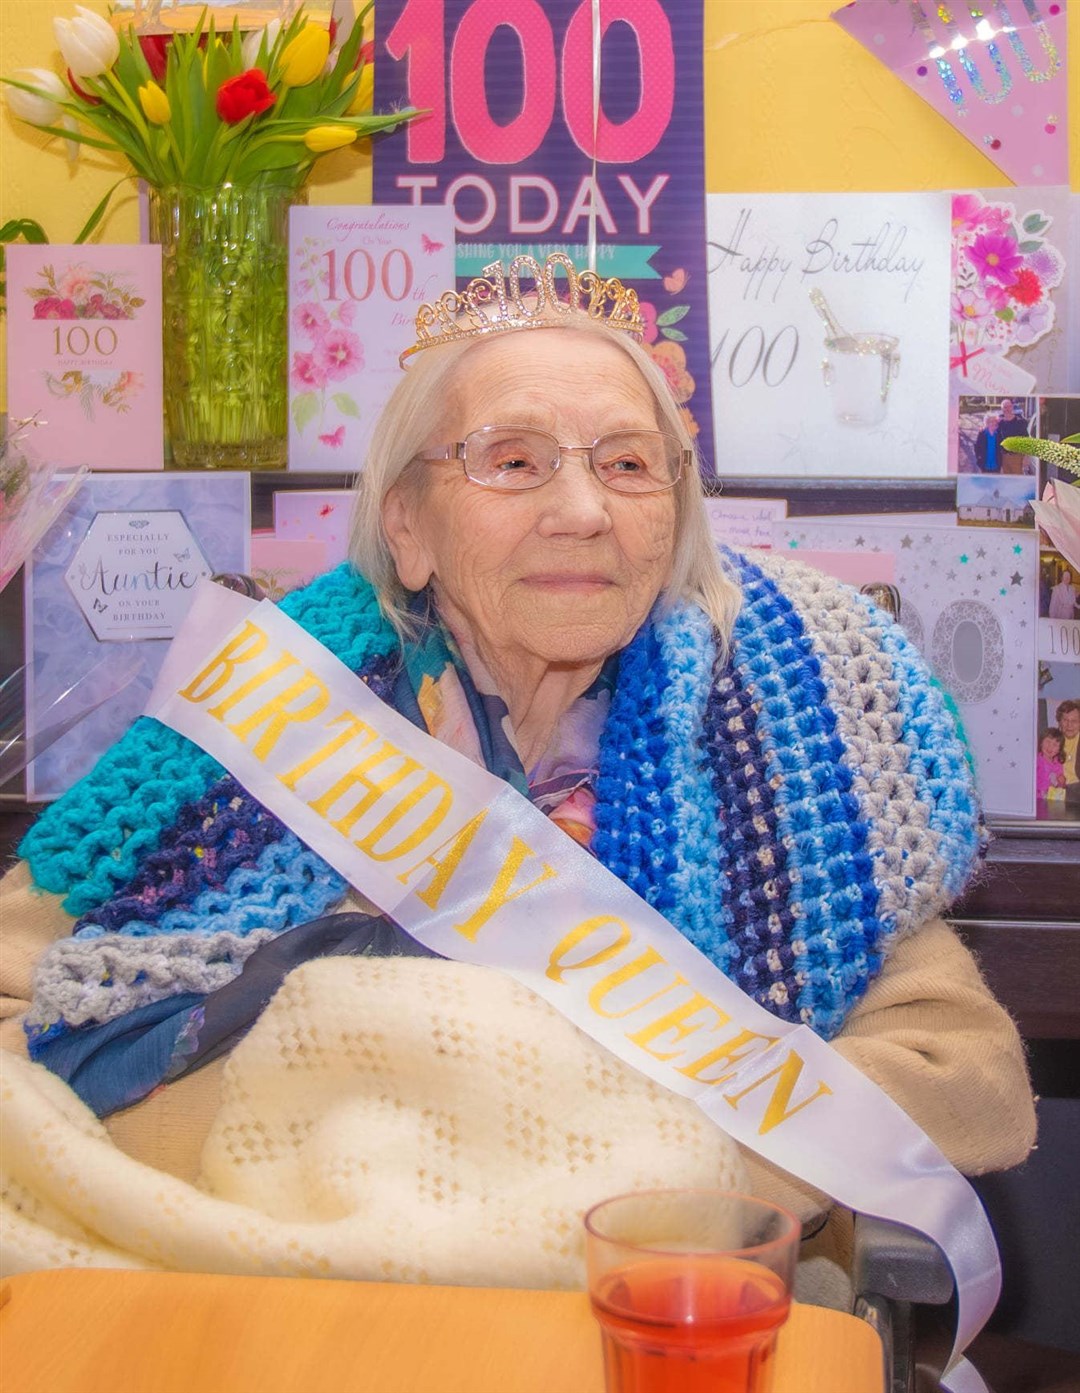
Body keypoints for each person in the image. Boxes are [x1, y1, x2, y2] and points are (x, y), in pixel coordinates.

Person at [0, 259, 1035, 1287]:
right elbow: (17, 995)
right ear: (407, 523)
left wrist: (668, 1174)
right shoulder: (267, 715)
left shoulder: (793, 723)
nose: (583, 509)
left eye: (630, 465)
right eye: (513, 460)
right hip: (265, 1290)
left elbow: (961, 1072)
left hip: (654, 1288)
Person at [1056, 699, 1080, 805]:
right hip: (1055, 788)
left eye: (1074, 721)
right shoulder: (1051, 740)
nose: (1069, 725)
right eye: (1065, 720)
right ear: (1059, 721)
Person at [1036, 728, 1066, 800]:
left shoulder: (1058, 763)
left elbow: (1060, 786)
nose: (1050, 747)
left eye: (1055, 745)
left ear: (1059, 750)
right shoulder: (1036, 760)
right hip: (1038, 798)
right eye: (1048, 742)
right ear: (1041, 743)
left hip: (1053, 798)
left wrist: (1062, 782)